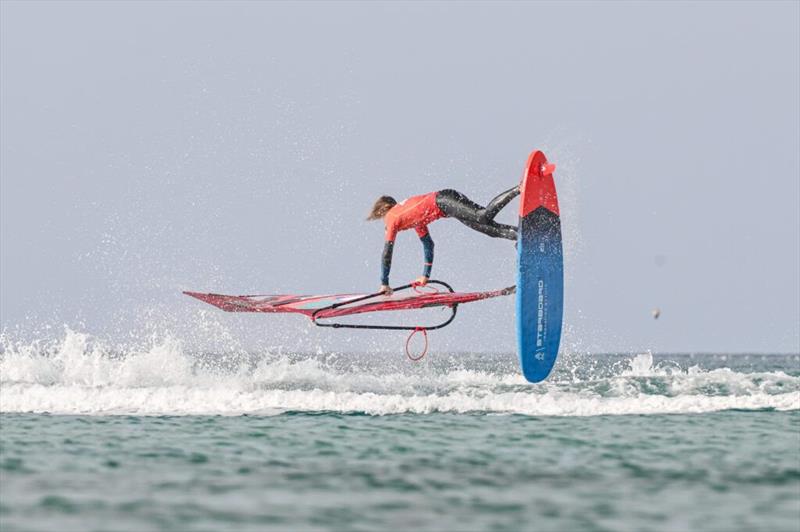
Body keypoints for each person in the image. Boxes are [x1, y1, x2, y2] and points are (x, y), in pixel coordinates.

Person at [367, 187, 519, 294]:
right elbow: (428, 244)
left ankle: (519, 188)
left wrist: (384, 283)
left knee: (482, 216)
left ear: (383, 210)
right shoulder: (414, 221)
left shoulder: (391, 217)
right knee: (490, 230)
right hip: (447, 202)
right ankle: (521, 235)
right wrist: (425, 275)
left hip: (444, 200)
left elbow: (387, 253)